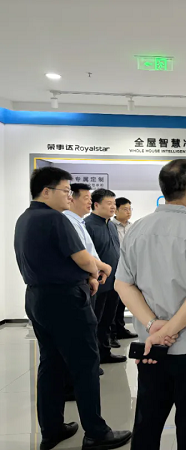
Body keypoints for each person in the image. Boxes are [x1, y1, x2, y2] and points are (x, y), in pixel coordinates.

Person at [14, 167, 131, 450]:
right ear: (46, 191)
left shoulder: (25, 218)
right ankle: (96, 433)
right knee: (85, 365)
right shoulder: (55, 219)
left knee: (51, 363)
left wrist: (88, 273)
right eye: (66, 191)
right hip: (66, 301)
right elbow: (84, 259)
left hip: (38, 298)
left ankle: (51, 429)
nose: (70, 196)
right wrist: (99, 269)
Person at [115, 159, 186, 450]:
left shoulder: (136, 230)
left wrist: (153, 327)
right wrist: (167, 332)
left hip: (151, 349)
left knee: (147, 426)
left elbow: (123, 285)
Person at [63, 183, 113, 382]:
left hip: (92, 280)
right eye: (86, 198)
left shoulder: (79, 222)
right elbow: (82, 256)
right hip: (80, 283)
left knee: (94, 326)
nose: (89, 202)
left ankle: (90, 367)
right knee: (82, 332)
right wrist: (102, 267)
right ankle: (80, 375)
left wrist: (94, 274)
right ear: (72, 198)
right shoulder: (69, 222)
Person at [85, 189, 126, 364]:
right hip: (98, 282)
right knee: (96, 321)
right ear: (96, 204)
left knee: (108, 320)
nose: (113, 207)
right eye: (109, 203)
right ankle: (93, 358)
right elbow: (86, 256)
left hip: (114, 281)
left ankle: (104, 353)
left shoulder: (111, 225)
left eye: (114, 204)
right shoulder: (88, 225)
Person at [109, 197, 137, 348]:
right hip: (114, 268)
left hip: (129, 268)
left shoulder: (133, 227)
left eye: (130, 209)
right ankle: (111, 334)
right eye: (125, 209)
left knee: (122, 301)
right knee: (112, 304)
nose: (128, 212)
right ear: (116, 210)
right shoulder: (111, 226)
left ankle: (120, 329)